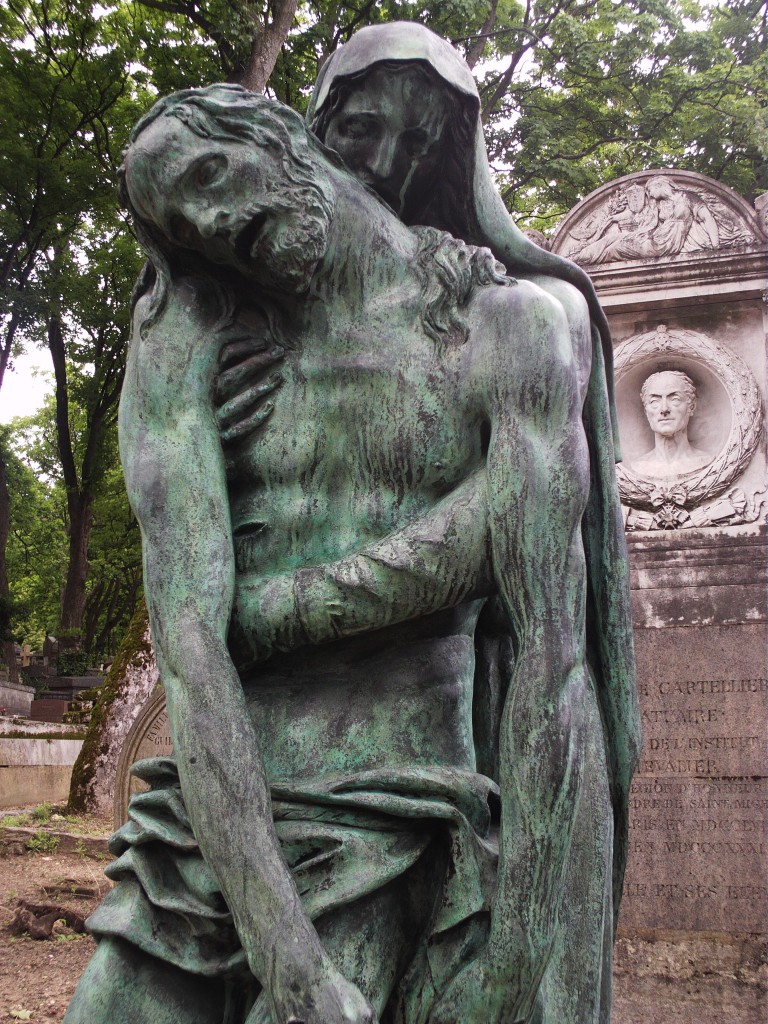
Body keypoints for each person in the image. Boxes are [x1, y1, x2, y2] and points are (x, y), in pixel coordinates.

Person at [66, 25, 639, 1024]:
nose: (211, 221)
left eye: (210, 174)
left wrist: (533, 949)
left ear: (283, 136)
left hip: (405, 808)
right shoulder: (193, 334)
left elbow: (552, 655)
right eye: (186, 221)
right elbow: (194, 654)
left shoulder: (511, 326)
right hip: (207, 823)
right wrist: (291, 965)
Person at [632, 370, 710, 476]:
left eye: (675, 399)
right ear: (646, 411)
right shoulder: (638, 466)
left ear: (691, 406)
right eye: (654, 401)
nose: (664, 409)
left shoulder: (706, 461)